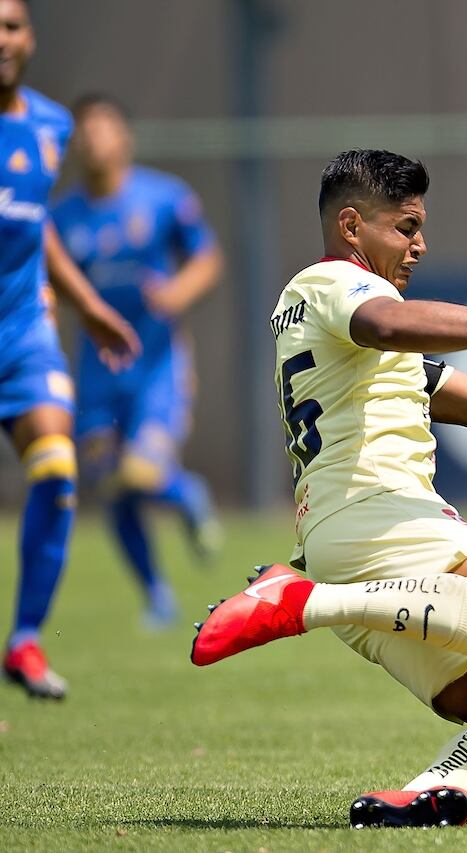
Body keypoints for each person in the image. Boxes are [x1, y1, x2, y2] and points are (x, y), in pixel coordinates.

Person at [191, 149, 467, 829]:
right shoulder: (330, 284)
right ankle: (304, 602)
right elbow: (387, 322)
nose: (420, 245)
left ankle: (430, 793)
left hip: (347, 545)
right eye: (405, 227)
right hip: (378, 514)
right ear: (351, 226)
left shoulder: (356, 342)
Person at [1, 0, 139, 699]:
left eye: (11, 26)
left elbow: (35, 226)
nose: (1, 39)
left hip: (24, 334)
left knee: (57, 472)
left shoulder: (51, 127)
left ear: (30, 37)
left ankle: (24, 640)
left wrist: (87, 304)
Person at [52, 93, 224, 627]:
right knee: (111, 488)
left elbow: (207, 257)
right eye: (83, 132)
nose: (92, 140)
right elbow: (51, 283)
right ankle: (156, 596)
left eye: (101, 128)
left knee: (141, 471)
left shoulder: (163, 198)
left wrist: (176, 294)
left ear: (124, 137)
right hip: (99, 373)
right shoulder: (63, 217)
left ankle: (188, 494)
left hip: (157, 369)